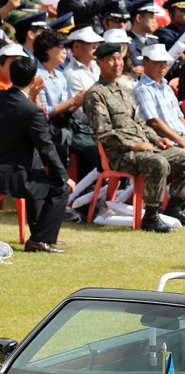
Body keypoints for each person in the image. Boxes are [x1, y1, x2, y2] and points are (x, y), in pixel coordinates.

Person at [84, 43, 185, 232]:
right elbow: (104, 133)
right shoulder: (96, 94)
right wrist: (134, 145)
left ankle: (174, 208)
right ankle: (151, 216)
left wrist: (156, 139)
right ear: (99, 63)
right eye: (111, 60)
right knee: (159, 163)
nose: (117, 64)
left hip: (145, 147)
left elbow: (139, 123)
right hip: (119, 155)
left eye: (120, 59)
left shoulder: (124, 90)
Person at [0, 57, 75, 253]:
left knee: (38, 172)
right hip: (11, 176)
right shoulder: (31, 111)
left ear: (10, 76)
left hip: (10, 169)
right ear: (34, 80)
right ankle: (39, 240)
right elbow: (46, 147)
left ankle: (39, 233)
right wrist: (65, 177)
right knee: (60, 189)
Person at [132, 44, 185, 225]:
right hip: (164, 141)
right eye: (157, 62)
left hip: (180, 139)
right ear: (145, 63)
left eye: (165, 63)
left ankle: (179, 207)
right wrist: (180, 139)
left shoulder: (166, 87)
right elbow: (153, 122)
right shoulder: (143, 89)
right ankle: (180, 207)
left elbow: (180, 116)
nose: (162, 67)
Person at [35, 29, 100, 174]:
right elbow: (43, 114)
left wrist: (78, 103)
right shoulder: (37, 76)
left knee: (96, 146)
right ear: (47, 49)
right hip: (46, 135)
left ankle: (88, 191)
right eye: (61, 47)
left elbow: (64, 112)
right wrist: (73, 102)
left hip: (62, 130)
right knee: (92, 151)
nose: (66, 51)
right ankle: (83, 191)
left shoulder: (59, 75)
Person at [62, 25, 104, 126]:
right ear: (76, 46)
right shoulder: (71, 74)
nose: (95, 46)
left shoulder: (97, 66)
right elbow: (80, 114)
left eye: (96, 43)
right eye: (91, 43)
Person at [128, 0, 159, 66]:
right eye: (151, 17)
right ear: (139, 18)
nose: (154, 21)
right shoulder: (127, 42)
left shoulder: (154, 40)